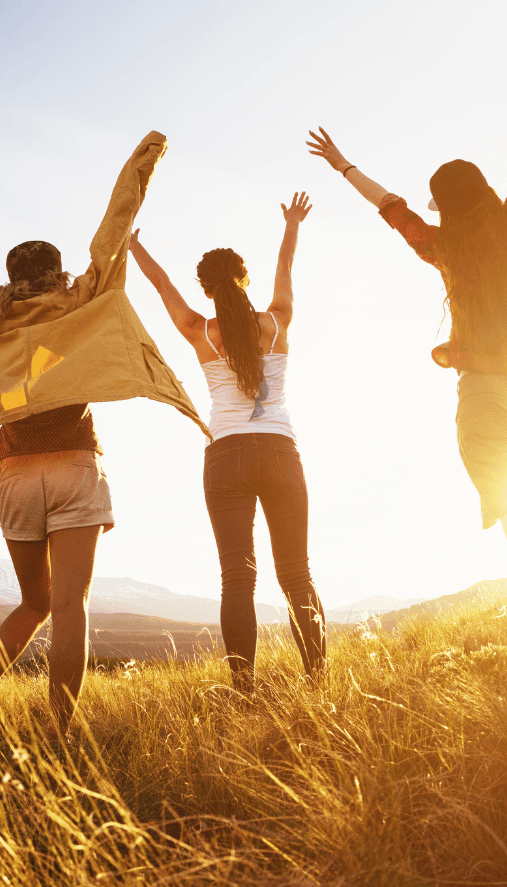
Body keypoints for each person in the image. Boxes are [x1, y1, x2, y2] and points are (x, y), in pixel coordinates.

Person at [0, 133, 209, 745]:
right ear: (56, 269)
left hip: (15, 474)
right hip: (74, 465)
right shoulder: (81, 300)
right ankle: (60, 734)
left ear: (13, 274)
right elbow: (113, 233)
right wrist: (141, 163)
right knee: (70, 609)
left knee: (32, 603)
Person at [305, 38, 507, 689]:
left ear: (443, 206)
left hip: (488, 402)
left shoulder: (444, 248)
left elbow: (392, 211)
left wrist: (345, 165)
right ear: (485, 192)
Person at [127, 193, 327, 694]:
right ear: (244, 279)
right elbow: (285, 265)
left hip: (226, 456)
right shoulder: (277, 321)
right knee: (296, 574)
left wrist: (133, 247)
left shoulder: (199, 330)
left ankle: (244, 690)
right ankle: (320, 681)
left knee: (237, 577)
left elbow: (160, 285)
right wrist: (292, 224)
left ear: (207, 288)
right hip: (281, 452)